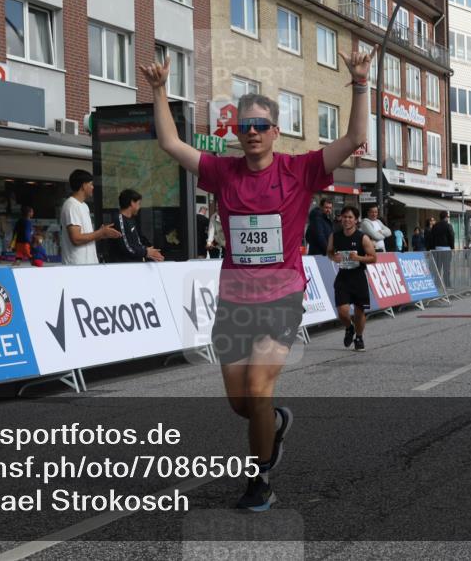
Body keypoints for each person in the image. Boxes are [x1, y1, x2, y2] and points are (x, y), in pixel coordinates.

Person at [141, 48, 372, 511]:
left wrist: (361, 84)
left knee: (259, 387)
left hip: (281, 298)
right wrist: (160, 90)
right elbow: (170, 144)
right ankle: (275, 425)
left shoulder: (299, 170)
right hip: (234, 301)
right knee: (241, 403)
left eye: (261, 126)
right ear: (236, 131)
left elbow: (354, 137)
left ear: (275, 132)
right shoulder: (222, 172)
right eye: (245, 126)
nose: (252, 133)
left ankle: (260, 479)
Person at [327, 205, 377, 351]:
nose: (347, 220)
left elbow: (373, 258)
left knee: (359, 313)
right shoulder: (334, 236)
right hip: (343, 277)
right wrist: (334, 257)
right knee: (342, 312)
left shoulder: (363, 237)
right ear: (341, 219)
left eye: (350, 217)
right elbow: (329, 252)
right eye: (344, 217)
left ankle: (359, 337)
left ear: (356, 220)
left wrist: (358, 258)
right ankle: (349, 327)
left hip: (358, 278)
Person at [58, 169, 121, 265]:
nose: (93, 187)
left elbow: (86, 237)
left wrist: (102, 234)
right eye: (91, 184)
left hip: (88, 264)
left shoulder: (84, 206)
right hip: (77, 265)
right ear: (83, 186)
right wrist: (100, 232)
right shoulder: (71, 205)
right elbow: (76, 239)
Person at [107, 188, 165, 263]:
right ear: (132, 203)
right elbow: (127, 247)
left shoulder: (131, 220)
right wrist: (146, 252)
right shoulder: (119, 220)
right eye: (139, 203)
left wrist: (151, 253)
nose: (139, 207)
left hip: (135, 264)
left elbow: (138, 242)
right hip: (124, 266)